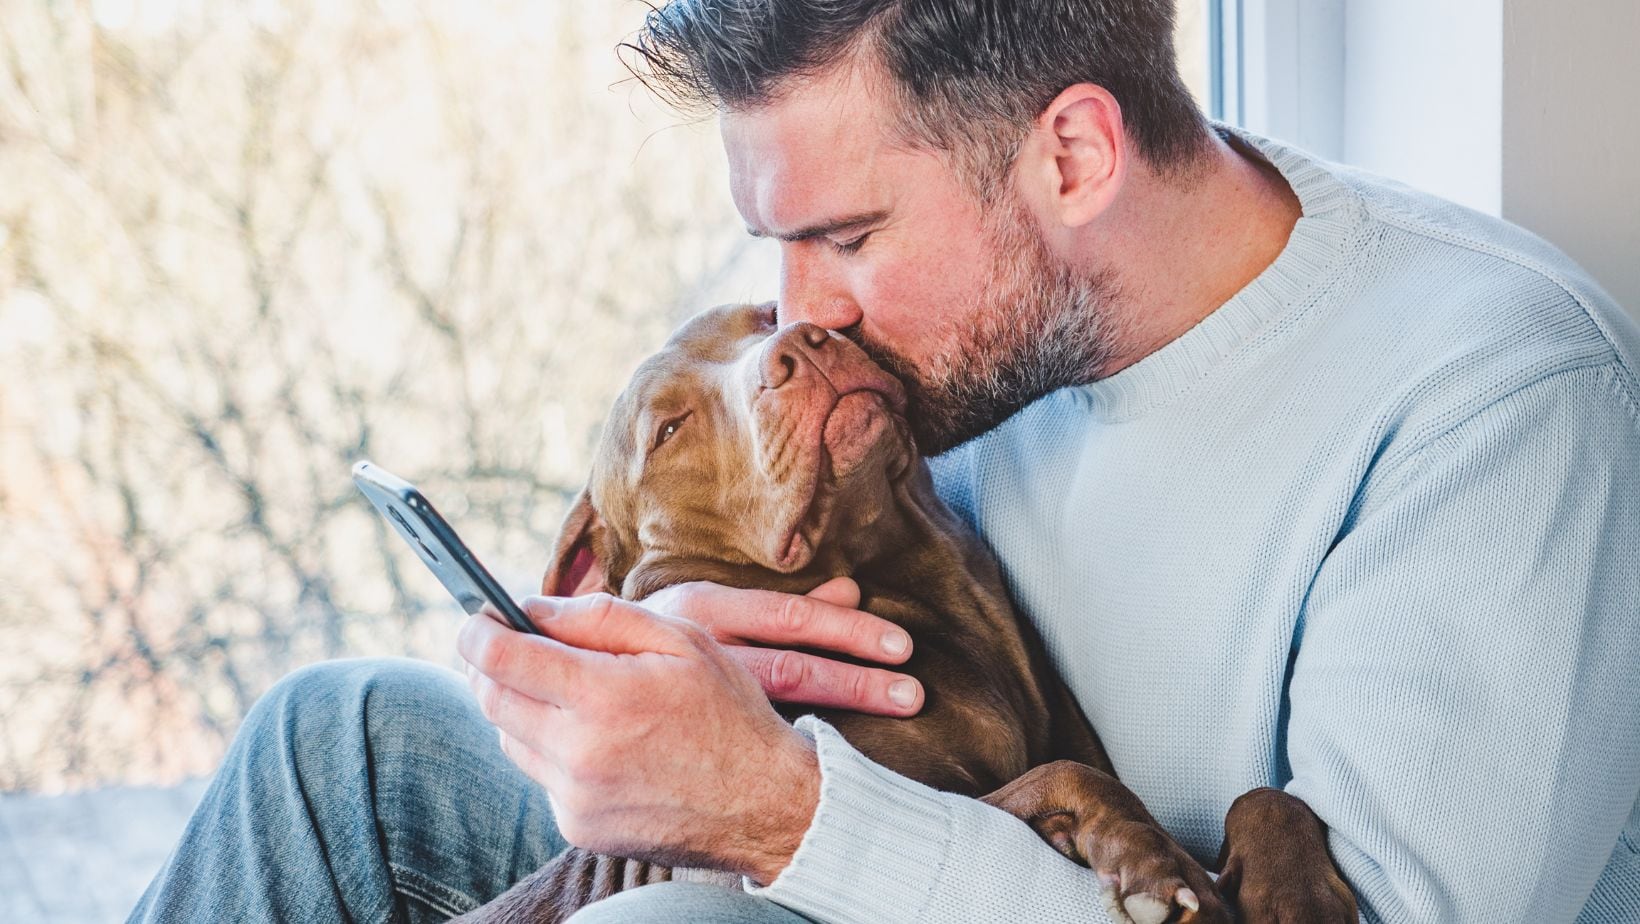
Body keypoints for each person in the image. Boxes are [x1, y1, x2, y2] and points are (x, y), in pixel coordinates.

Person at [131, 1, 1640, 922]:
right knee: (341, 747)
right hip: (872, 816)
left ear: (1073, 156)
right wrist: (682, 650)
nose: (803, 311)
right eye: (772, 244)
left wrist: (782, 812)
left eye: (844, 236)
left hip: (916, 871)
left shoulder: (1492, 401)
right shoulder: (974, 323)